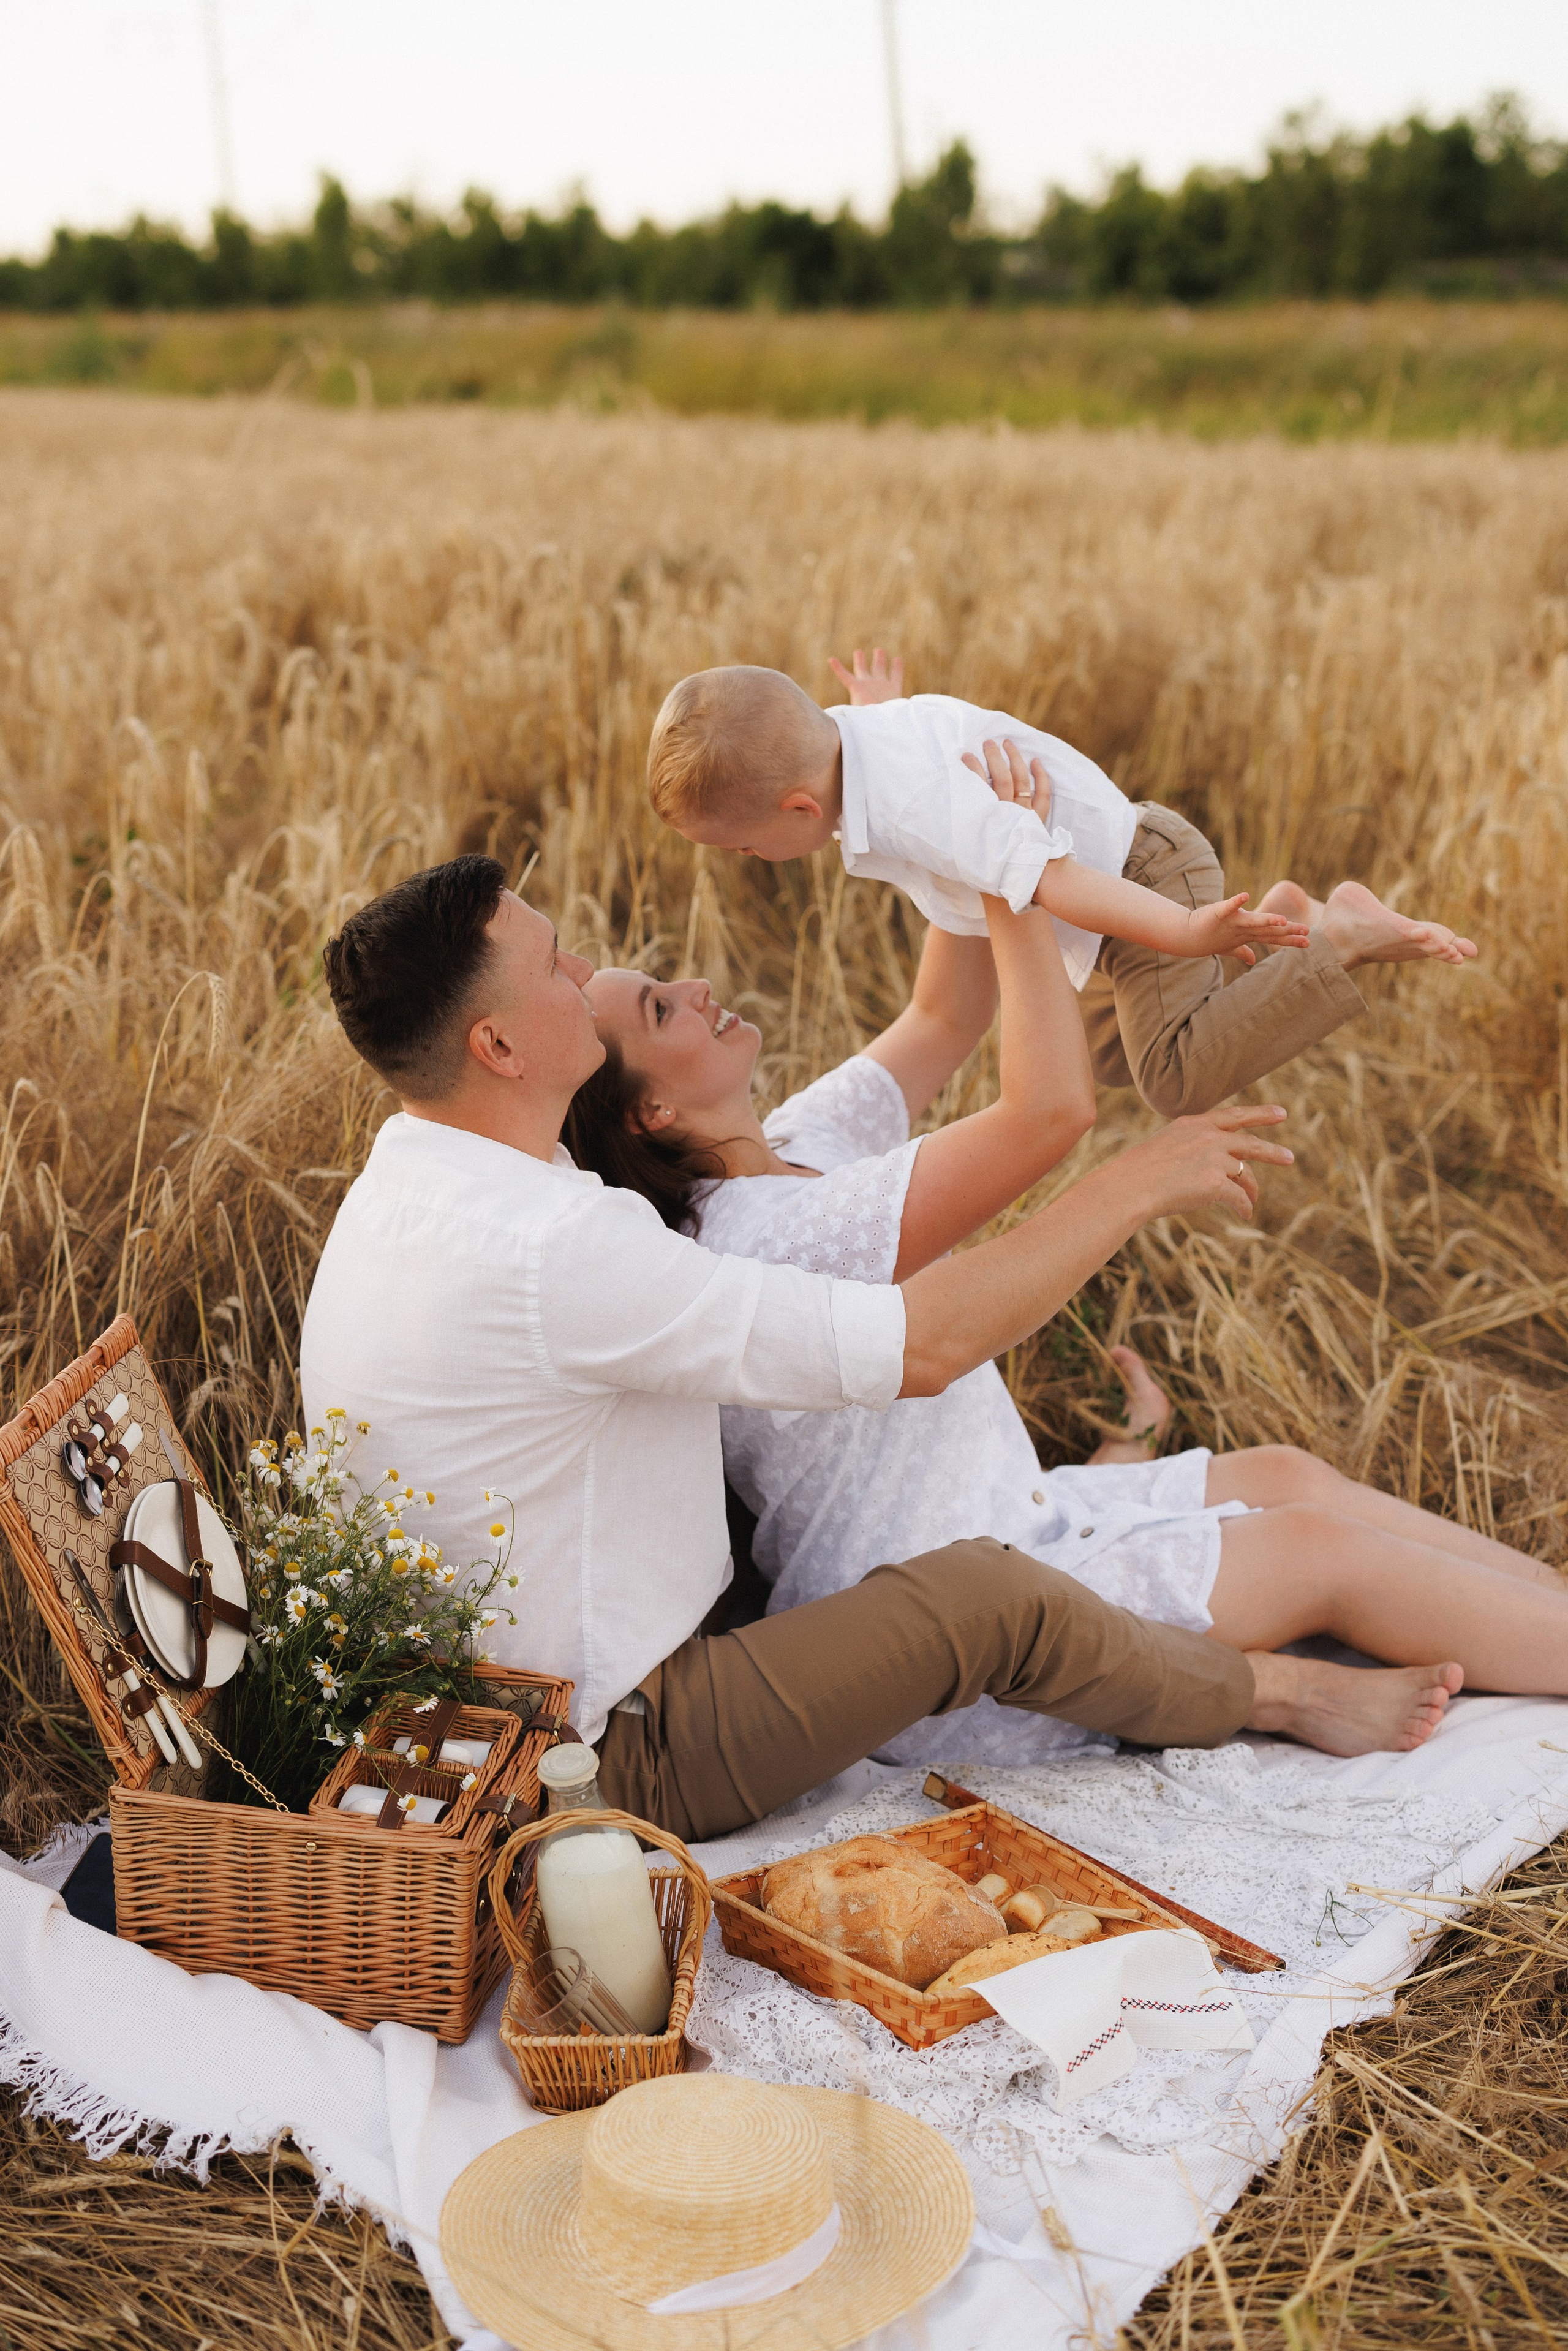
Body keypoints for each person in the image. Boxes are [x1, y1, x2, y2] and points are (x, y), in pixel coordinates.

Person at [299, 855, 1415, 1847]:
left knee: (1027, 1552)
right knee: (988, 1598)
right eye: (553, 964)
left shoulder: (419, 1185)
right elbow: (921, 1343)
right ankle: (1267, 1693)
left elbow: (939, 1022)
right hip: (606, 1750)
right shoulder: (554, 1242)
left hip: (499, 1718)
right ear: (494, 1044)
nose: (581, 963)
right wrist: (1132, 1183)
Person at [574, 742, 1568, 1768]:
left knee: (1287, 1474)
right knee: (1323, 1556)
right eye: (659, 1006)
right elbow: (1049, 1110)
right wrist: (1015, 871)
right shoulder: (757, 1236)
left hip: (1018, 1526)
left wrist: (951, 821)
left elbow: (945, 1015)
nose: (694, 984)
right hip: (962, 1639)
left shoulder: (795, 1146)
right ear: (651, 1109)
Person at [643, 647, 1476, 1120]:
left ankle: (1340, 938)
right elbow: (883, 736)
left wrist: (1185, 933)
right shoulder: (849, 743)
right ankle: (1282, 920)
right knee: (1103, 1054)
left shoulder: (921, 807)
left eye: (749, 848)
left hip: (1136, 876)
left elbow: (1055, 878)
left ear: (797, 806)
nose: (752, 861)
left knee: (1175, 1077)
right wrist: (876, 705)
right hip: (1110, 903)